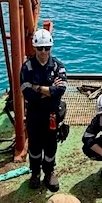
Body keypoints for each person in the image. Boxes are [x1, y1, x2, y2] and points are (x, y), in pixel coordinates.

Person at [20, 27, 68, 191]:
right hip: (34, 114)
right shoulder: (27, 67)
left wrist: (38, 88)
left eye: (46, 48)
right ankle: (35, 173)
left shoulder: (57, 66)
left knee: (50, 145)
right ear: (34, 48)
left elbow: (60, 90)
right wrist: (48, 91)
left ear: (50, 48)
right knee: (34, 146)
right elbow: (27, 93)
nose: (43, 51)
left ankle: (49, 172)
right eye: (40, 48)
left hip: (52, 115)